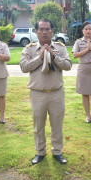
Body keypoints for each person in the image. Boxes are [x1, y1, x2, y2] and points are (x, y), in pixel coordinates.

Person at [20, 19, 72, 165]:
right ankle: (40, 152)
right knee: (38, 126)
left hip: (56, 93)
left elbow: (68, 65)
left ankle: (57, 151)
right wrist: (40, 57)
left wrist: (54, 56)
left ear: (52, 31)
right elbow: (24, 67)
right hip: (38, 94)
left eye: (47, 29)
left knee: (57, 125)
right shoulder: (29, 49)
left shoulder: (59, 48)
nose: (44, 32)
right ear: (36, 32)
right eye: (41, 29)